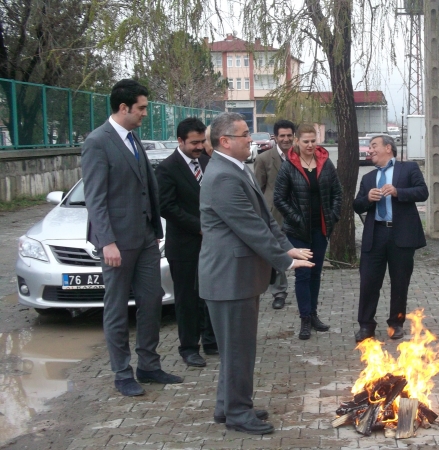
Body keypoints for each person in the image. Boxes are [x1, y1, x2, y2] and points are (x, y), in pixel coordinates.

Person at [199, 112, 314, 435]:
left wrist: (286, 247)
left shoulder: (236, 168)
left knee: (238, 348)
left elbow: (263, 218)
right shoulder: (222, 175)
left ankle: (228, 405)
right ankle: (238, 413)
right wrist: (285, 261)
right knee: (238, 350)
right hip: (229, 278)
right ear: (225, 141)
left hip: (239, 277)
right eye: (244, 134)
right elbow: (249, 228)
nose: (251, 138)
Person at [81, 79, 183, 396]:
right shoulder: (98, 142)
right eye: (141, 108)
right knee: (115, 308)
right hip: (117, 244)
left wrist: (155, 231)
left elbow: (147, 187)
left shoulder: (133, 139)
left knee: (151, 302)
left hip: (145, 240)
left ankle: (149, 365)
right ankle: (122, 372)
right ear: (123, 108)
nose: (144, 114)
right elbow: (95, 198)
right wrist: (106, 241)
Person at [353, 135, 428, 342]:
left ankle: (396, 323)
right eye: (369, 147)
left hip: (401, 234)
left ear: (388, 148)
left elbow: (423, 192)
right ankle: (366, 326)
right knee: (368, 282)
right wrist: (367, 199)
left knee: (400, 282)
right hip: (375, 234)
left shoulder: (408, 168)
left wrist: (398, 192)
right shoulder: (368, 178)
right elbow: (357, 205)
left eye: (373, 146)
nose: (370, 150)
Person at [155, 118, 217, 368]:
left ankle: (211, 341)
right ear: (180, 141)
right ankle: (189, 347)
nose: (199, 146)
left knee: (210, 294)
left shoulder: (207, 162)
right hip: (184, 246)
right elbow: (166, 206)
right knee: (187, 298)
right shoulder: (167, 169)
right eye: (194, 142)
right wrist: (198, 226)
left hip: (211, 244)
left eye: (202, 141)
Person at [273, 123, 343, 339]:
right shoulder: (289, 166)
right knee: (302, 274)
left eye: (313, 141)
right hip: (298, 231)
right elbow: (279, 198)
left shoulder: (325, 162)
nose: (310, 145)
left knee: (315, 274)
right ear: (297, 142)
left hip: (320, 229)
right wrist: (296, 218)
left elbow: (337, 193)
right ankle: (304, 319)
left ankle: (313, 315)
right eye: (306, 141)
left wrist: (332, 217)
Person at [254, 119, 296, 310]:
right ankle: (279, 291)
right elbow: (258, 188)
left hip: (298, 212)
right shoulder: (264, 159)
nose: (286, 139)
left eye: (289, 135)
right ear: (275, 137)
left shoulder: (301, 156)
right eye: (282, 136)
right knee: (278, 250)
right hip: (275, 213)